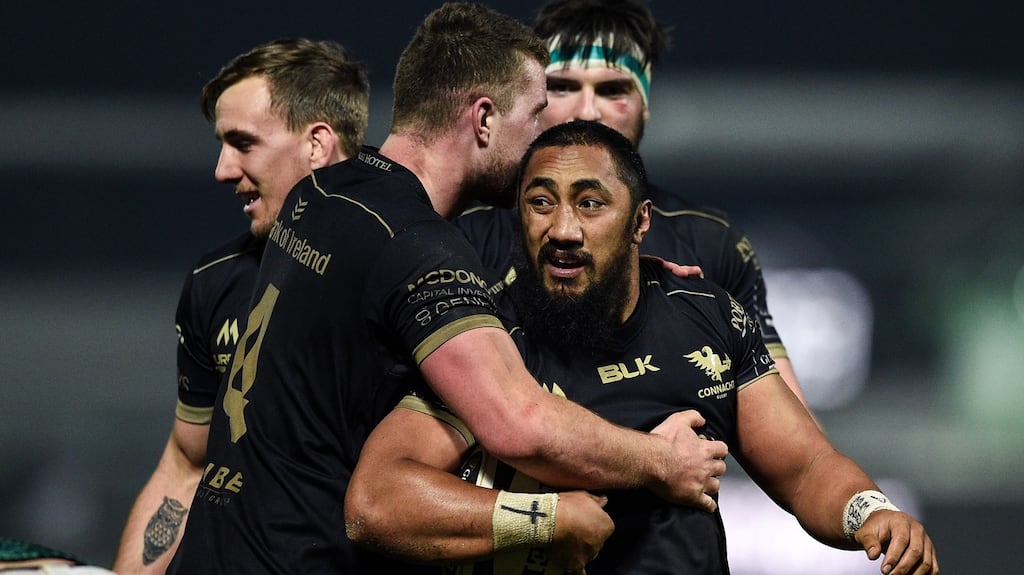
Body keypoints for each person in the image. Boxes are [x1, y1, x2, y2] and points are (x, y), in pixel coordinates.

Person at [167, 4, 729, 574]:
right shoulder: (417, 245)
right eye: (535, 113)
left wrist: (620, 266)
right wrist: (660, 461)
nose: (546, 133)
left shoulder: (323, 194)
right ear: (483, 119)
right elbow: (519, 423)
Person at [346, 120, 939, 575]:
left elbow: (806, 467)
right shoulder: (488, 337)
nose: (564, 229)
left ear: (640, 221)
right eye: (541, 202)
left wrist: (871, 514)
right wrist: (542, 521)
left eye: (591, 202)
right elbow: (378, 499)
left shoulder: (707, 316)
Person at [454, 0, 813, 412]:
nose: (587, 110)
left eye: (612, 90)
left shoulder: (711, 243)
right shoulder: (468, 234)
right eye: (563, 86)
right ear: (532, 99)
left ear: (644, 107)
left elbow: (795, 432)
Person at [111, 37, 370, 575]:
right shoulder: (215, 281)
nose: (223, 170)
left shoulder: (408, 269)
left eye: (243, 143)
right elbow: (186, 463)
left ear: (318, 144)